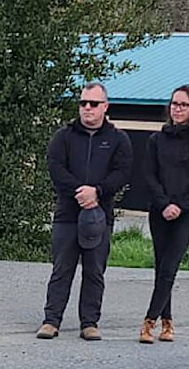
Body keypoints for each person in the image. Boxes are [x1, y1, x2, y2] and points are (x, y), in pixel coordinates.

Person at [37, 82, 133, 342]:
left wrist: (98, 192)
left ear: (105, 107)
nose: (87, 108)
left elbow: (123, 172)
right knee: (61, 268)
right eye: (83, 103)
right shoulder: (63, 137)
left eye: (93, 103)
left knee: (94, 270)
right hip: (68, 213)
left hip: (100, 216)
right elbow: (56, 168)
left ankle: (89, 323)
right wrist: (80, 191)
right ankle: (51, 320)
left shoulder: (118, 139)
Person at [140, 85, 189, 343]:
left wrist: (180, 206)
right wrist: (164, 204)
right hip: (160, 209)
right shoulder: (157, 140)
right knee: (161, 266)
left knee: (170, 267)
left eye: (183, 105)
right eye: (174, 104)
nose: (177, 109)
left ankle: (148, 321)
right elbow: (150, 176)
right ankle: (167, 322)